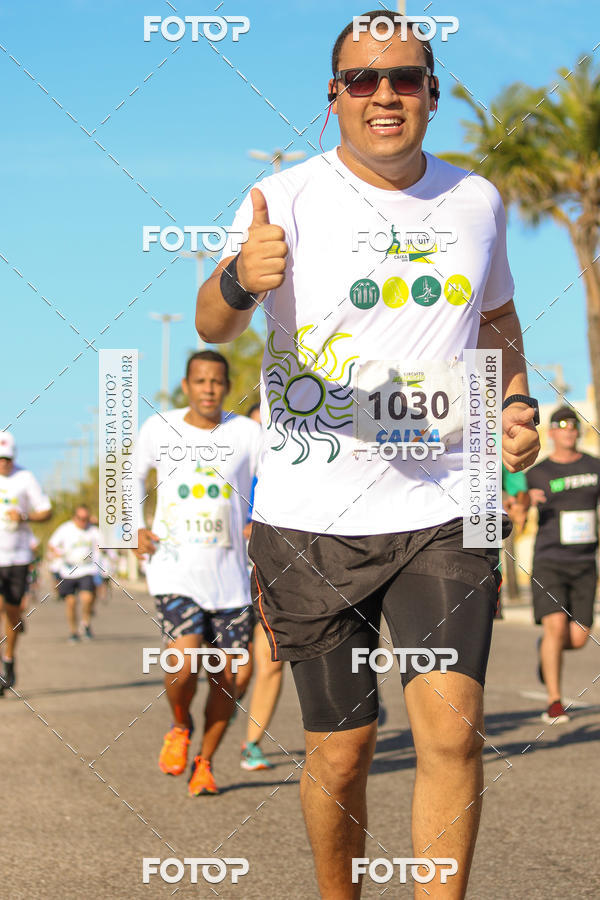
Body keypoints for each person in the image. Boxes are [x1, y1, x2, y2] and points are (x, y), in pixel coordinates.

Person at [196, 11, 540, 896]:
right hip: (311, 518)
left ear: (430, 92)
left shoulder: (476, 200)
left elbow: (495, 319)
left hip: (447, 504)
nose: (384, 94)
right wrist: (240, 276)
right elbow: (212, 322)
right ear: (335, 98)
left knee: (453, 733)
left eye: (404, 78)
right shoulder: (285, 197)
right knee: (343, 754)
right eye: (362, 80)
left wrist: (513, 400)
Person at [135, 351, 262, 795]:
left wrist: (259, 519)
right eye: (200, 381)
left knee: (232, 678)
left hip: (230, 578)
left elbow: (280, 485)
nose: (208, 388)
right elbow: (126, 475)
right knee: (184, 658)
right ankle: (178, 724)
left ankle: (205, 762)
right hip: (175, 570)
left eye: (216, 381)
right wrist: (131, 526)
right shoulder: (160, 428)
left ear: (226, 387)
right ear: (186, 387)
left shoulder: (247, 434)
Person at [526, 406, 600, 724]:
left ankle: (548, 649)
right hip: (549, 561)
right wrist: (524, 501)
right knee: (556, 626)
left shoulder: (594, 466)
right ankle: (554, 702)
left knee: (579, 638)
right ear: (552, 432)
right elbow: (515, 511)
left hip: (585, 562)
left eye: (573, 426)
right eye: (561, 426)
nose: (569, 431)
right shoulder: (537, 473)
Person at [239, 401, 284, 771]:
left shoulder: (289, 463)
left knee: (270, 660)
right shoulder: (230, 461)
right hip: (221, 575)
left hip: (269, 572)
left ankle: (252, 742)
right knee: (234, 670)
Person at [0, 431, 52, 694]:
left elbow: (46, 511)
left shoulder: (25, 478)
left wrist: (24, 516)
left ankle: (8, 658)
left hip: (18, 557)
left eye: (7, 458)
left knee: (12, 612)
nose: (3, 463)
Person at [47, 506, 101, 641]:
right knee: (71, 603)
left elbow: (104, 543)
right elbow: (52, 544)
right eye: (80, 519)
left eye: (86, 519)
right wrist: (56, 552)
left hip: (87, 569)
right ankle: (73, 631)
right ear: (74, 518)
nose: (83, 522)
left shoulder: (93, 530)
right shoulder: (65, 529)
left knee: (87, 598)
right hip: (68, 571)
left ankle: (86, 623)